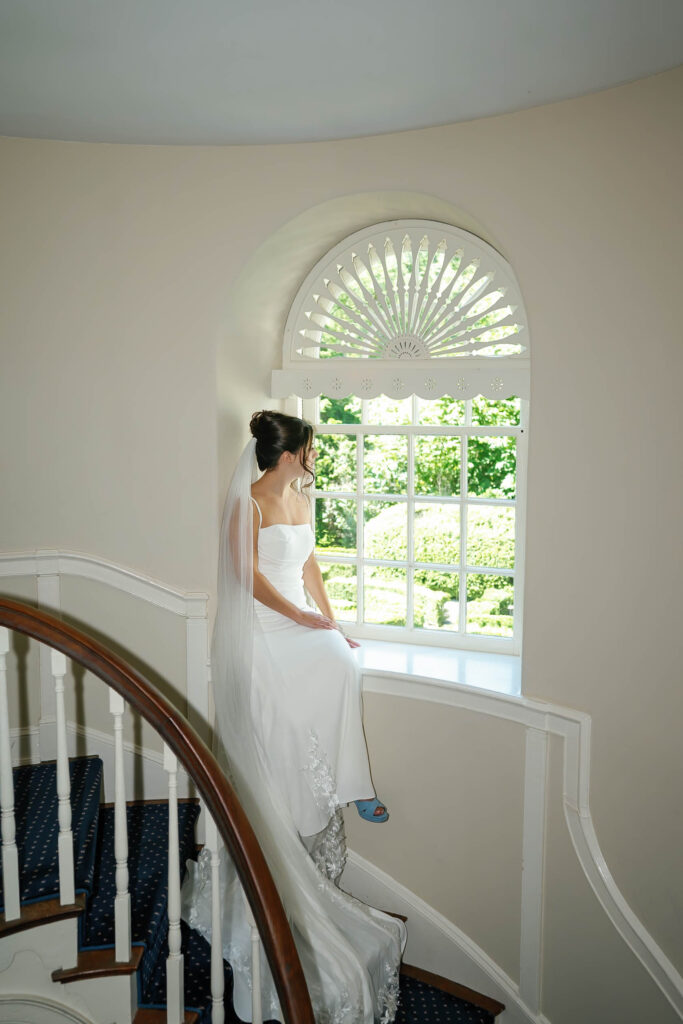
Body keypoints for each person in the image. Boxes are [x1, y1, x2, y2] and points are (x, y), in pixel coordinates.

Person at [181, 410, 406, 1024]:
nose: (314, 455)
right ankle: (296, 802)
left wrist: (329, 619)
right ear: (287, 453)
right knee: (283, 714)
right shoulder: (248, 504)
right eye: (310, 448)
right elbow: (245, 575)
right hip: (263, 625)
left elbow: (310, 567)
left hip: (299, 616)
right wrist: (299, 616)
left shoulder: (302, 497)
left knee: (340, 661)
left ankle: (350, 785)